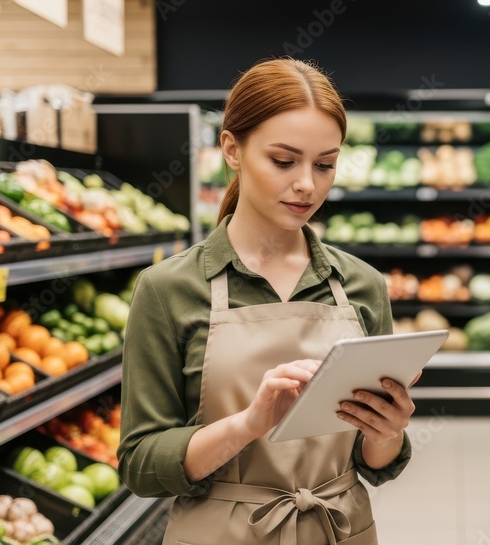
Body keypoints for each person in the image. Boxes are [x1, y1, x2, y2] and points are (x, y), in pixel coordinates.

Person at [117, 58, 414, 545]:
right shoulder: (167, 289)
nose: (307, 184)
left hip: (338, 529)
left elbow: (372, 462)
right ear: (232, 149)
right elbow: (142, 465)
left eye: (325, 165)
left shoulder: (362, 284)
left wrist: (387, 431)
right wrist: (249, 424)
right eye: (283, 161)